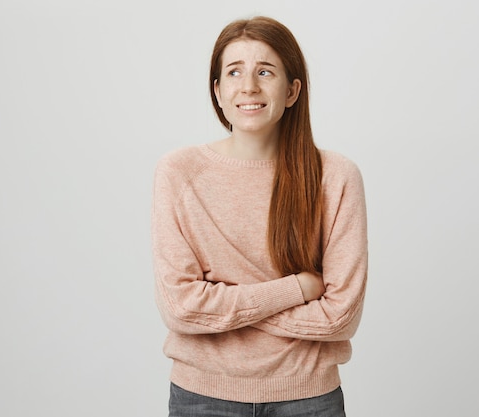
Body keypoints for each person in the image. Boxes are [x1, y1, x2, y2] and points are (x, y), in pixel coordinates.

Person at [151, 16, 368, 417]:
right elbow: (181, 307)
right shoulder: (178, 172)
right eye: (234, 72)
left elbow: (340, 317)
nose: (248, 86)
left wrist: (223, 309)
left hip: (308, 398)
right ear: (217, 91)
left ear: (292, 90)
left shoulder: (335, 177)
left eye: (265, 71)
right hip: (202, 397)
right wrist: (299, 288)